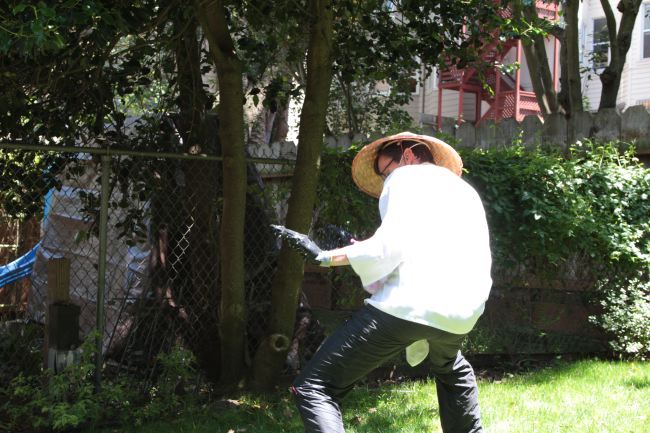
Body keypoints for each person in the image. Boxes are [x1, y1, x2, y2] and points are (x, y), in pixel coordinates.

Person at [290, 131, 492, 433]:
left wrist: (324, 256)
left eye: (385, 170)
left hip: (409, 308)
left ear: (407, 153)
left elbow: (389, 247)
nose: (386, 179)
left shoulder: (405, 178)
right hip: (463, 314)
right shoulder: (464, 191)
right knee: (452, 369)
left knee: (314, 387)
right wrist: (360, 248)